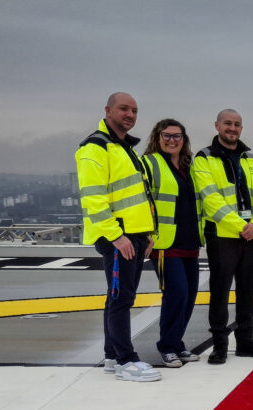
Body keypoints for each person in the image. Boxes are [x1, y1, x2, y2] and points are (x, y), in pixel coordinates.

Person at [75, 92, 160, 382]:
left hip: (134, 235)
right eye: (124, 109)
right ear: (108, 110)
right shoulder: (96, 147)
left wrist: (146, 233)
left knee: (120, 298)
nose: (130, 115)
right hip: (118, 238)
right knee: (121, 298)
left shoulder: (123, 147)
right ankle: (126, 360)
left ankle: (112, 355)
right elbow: (93, 199)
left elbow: (136, 196)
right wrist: (117, 236)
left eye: (134, 110)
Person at [192, 109, 253, 364]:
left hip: (250, 236)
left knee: (248, 290)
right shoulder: (204, 159)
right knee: (220, 291)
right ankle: (220, 344)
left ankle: (246, 341)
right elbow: (211, 199)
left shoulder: (251, 159)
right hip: (223, 235)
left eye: (237, 124)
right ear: (217, 125)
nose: (232, 128)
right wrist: (242, 225)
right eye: (227, 123)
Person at [142, 119, 202, 368]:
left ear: (184, 139)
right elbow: (142, 198)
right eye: (167, 135)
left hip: (190, 240)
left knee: (188, 296)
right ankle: (167, 346)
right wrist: (146, 233)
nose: (172, 140)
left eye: (177, 136)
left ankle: (177, 344)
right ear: (157, 137)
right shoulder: (150, 163)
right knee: (176, 293)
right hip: (165, 243)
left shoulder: (190, 166)